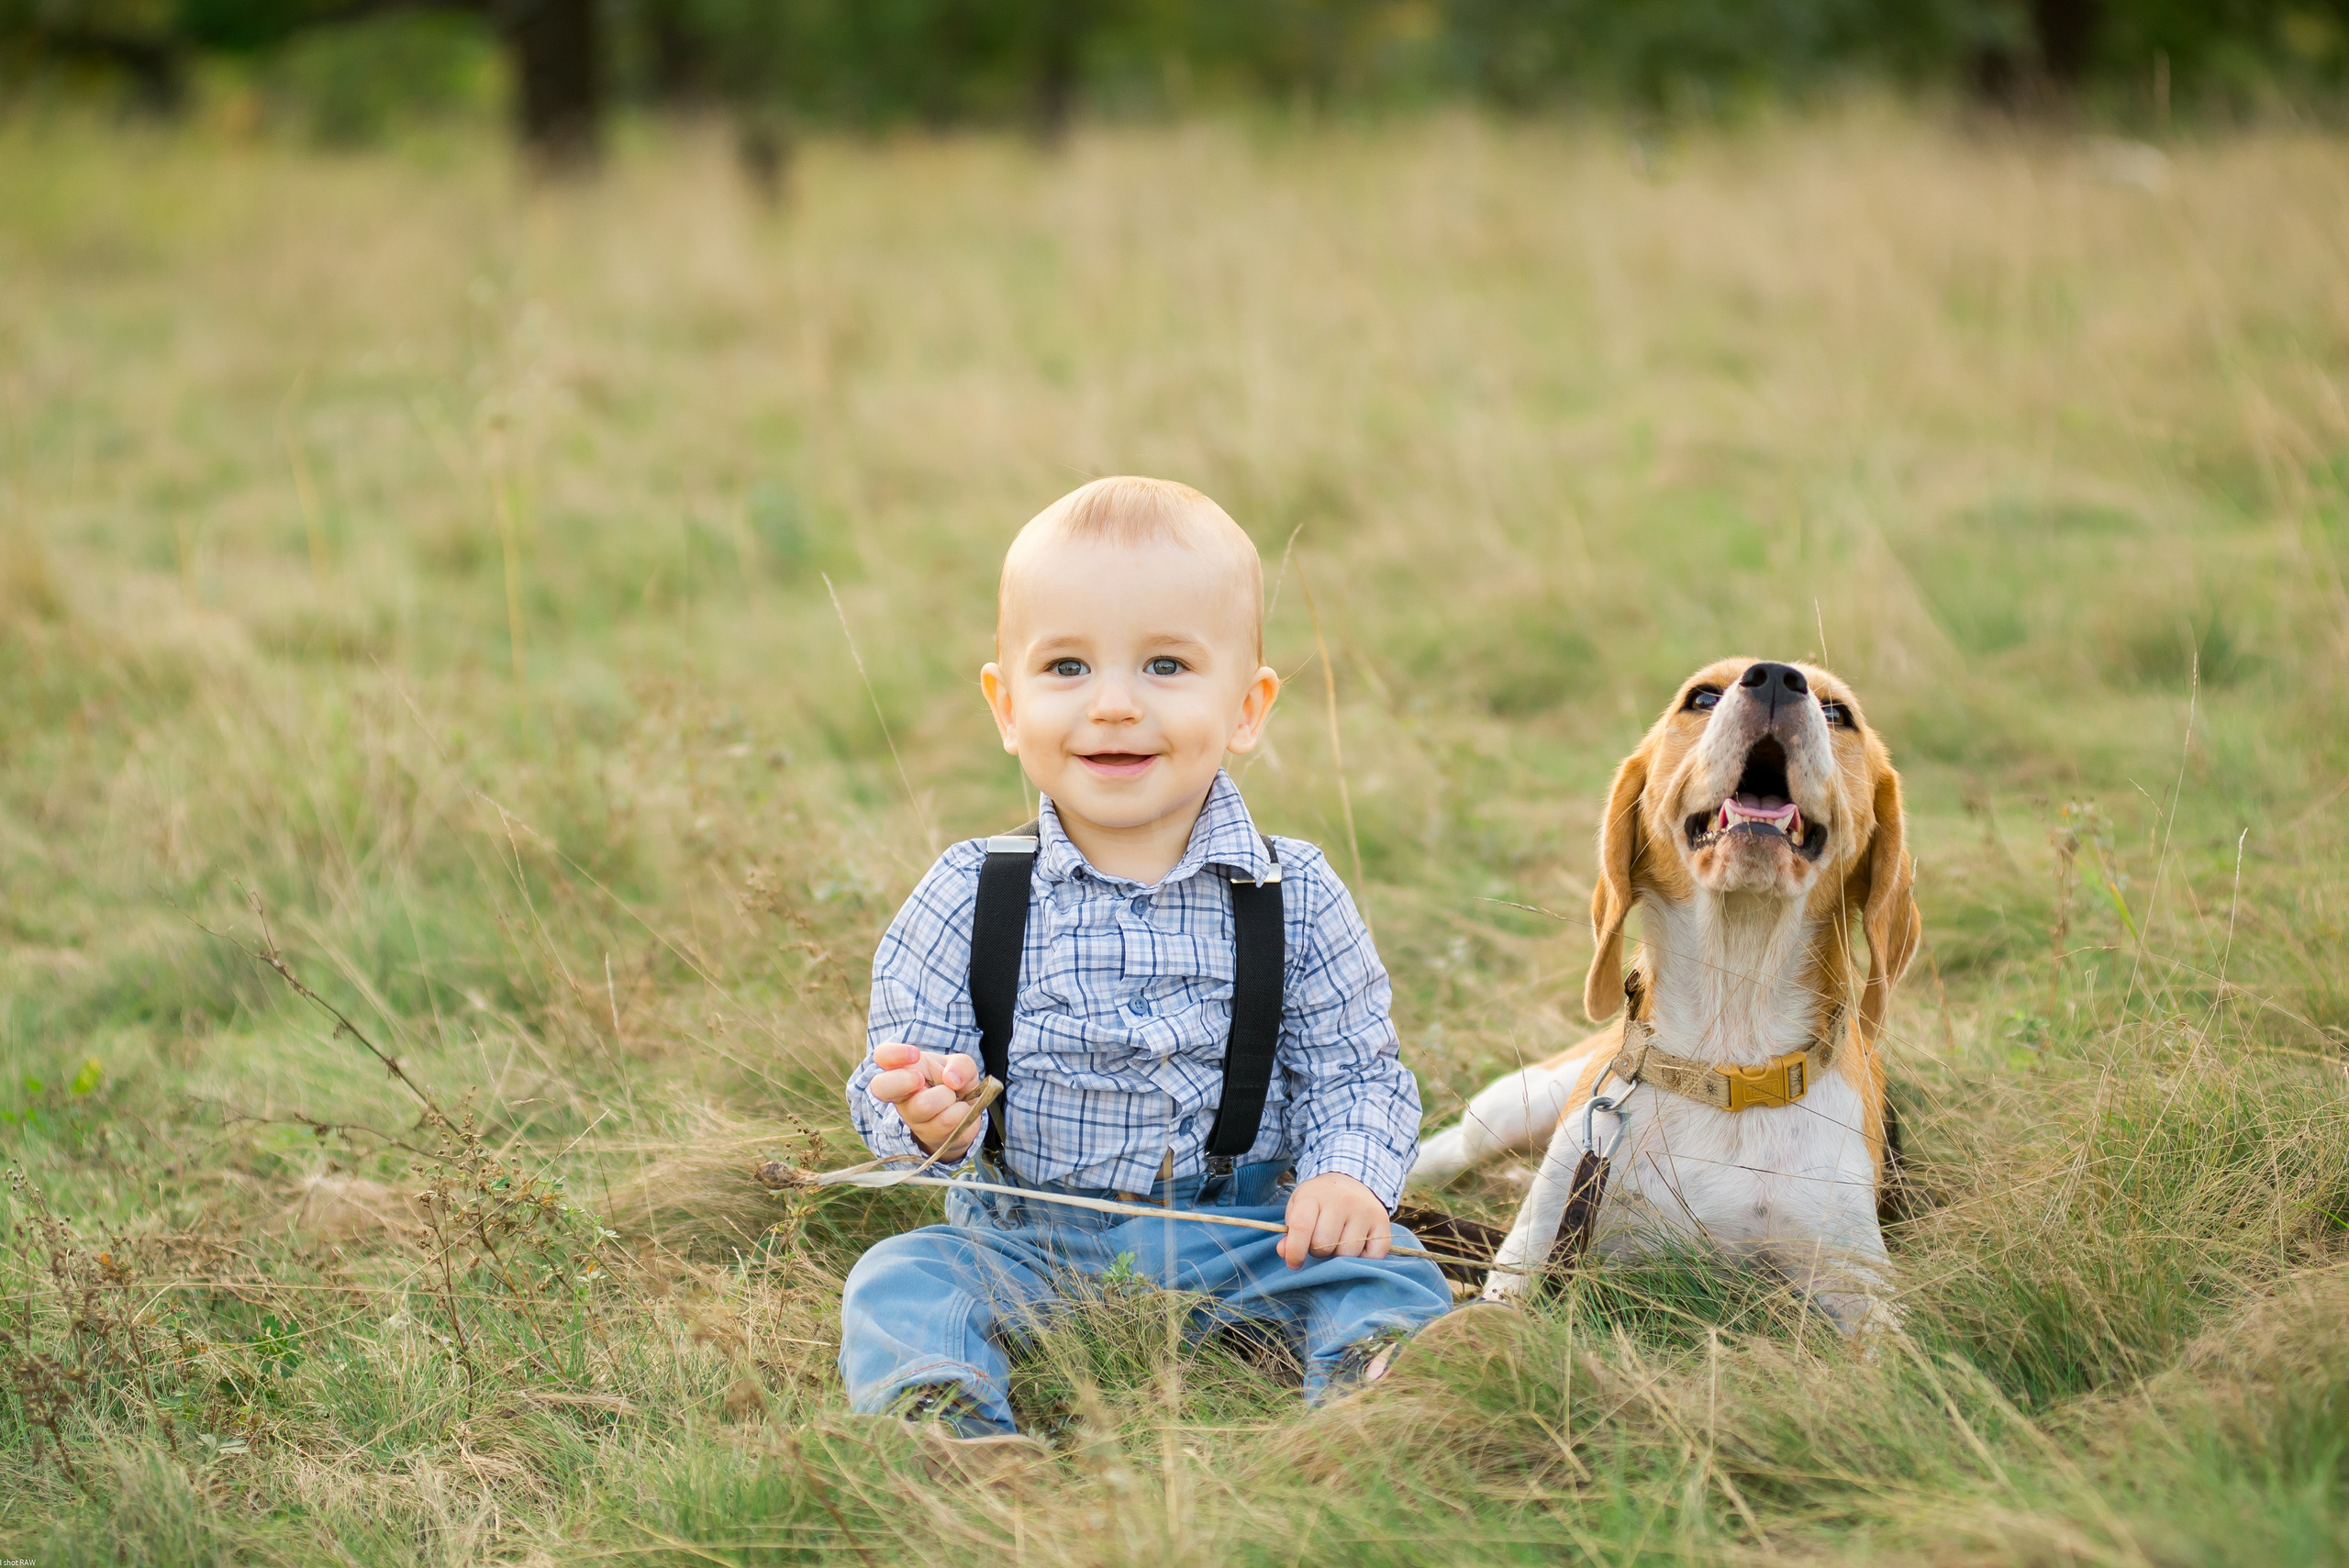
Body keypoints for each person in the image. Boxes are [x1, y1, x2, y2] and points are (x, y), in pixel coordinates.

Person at [837, 475, 1478, 1470]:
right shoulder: (967, 892)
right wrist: (926, 1111)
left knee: (1389, 1267)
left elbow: (1355, 1071)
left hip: (1249, 1229)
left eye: (1167, 664)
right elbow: (907, 1077)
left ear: (1246, 706)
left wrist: (1349, 1172)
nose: (1115, 705)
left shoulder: (1294, 891)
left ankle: (1370, 1397)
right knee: (900, 1277)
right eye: (1066, 667)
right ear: (1006, 706)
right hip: (1030, 1238)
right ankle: (948, 1426)